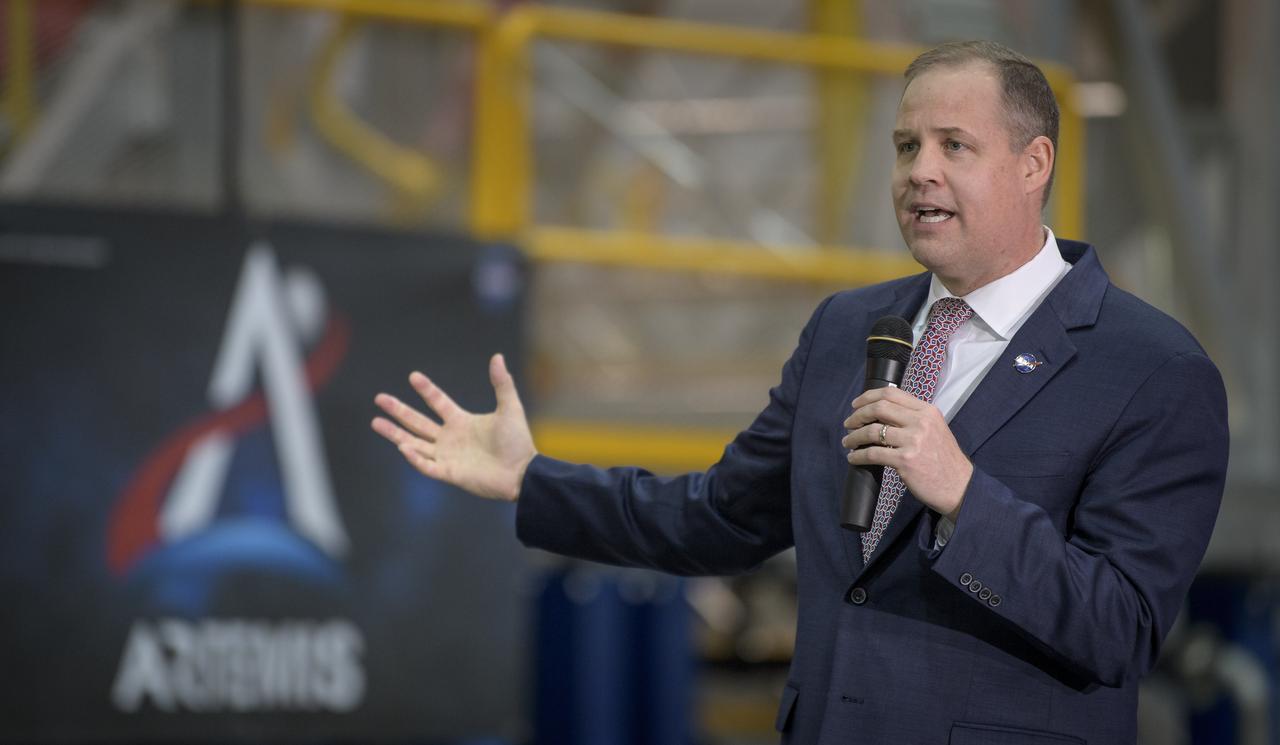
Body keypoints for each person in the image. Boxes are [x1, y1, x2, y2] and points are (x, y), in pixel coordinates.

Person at [372, 41, 1228, 744]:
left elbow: (1120, 627)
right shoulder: (849, 329)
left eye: (953, 146)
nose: (919, 172)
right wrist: (533, 478)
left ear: (1033, 162)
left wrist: (966, 496)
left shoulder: (1152, 368)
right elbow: (721, 516)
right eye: (905, 146)